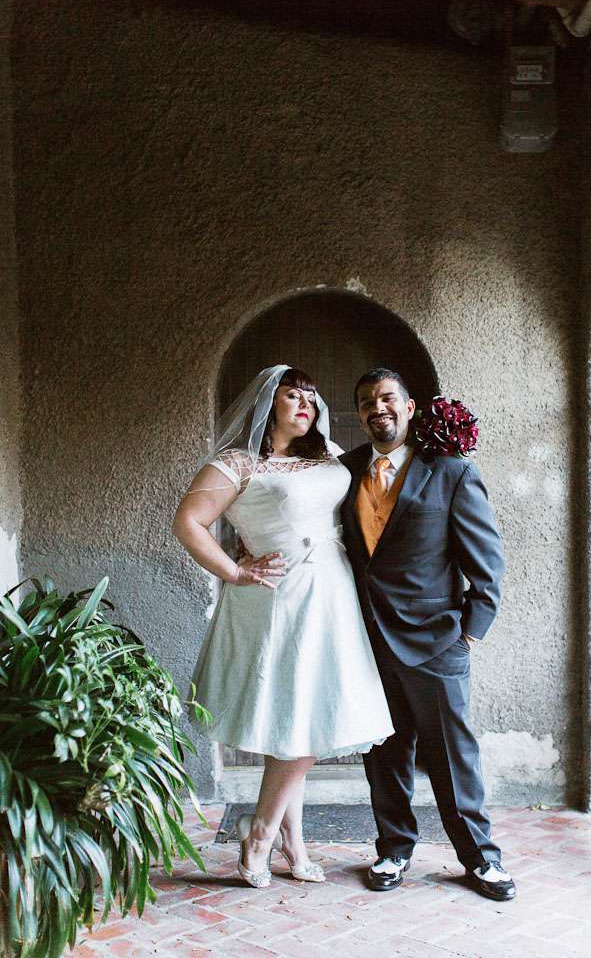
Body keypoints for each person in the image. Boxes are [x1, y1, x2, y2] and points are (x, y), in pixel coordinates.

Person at [172, 364, 394, 889]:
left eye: (311, 398)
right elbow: (188, 522)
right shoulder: (238, 462)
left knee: (303, 715)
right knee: (299, 714)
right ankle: (260, 834)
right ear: (268, 404)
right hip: (280, 597)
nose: (306, 405)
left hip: (333, 592)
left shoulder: (328, 455)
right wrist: (234, 571)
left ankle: (291, 839)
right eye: (294, 396)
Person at [338, 368, 516, 902]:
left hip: (437, 641)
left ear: (410, 407)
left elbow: (486, 561)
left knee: (451, 755)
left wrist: (470, 634)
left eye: (387, 398)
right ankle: (394, 849)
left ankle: (481, 858)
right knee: (384, 752)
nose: (377, 408)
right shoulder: (346, 471)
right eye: (366, 401)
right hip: (368, 639)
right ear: (359, 414)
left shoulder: (451, 470)